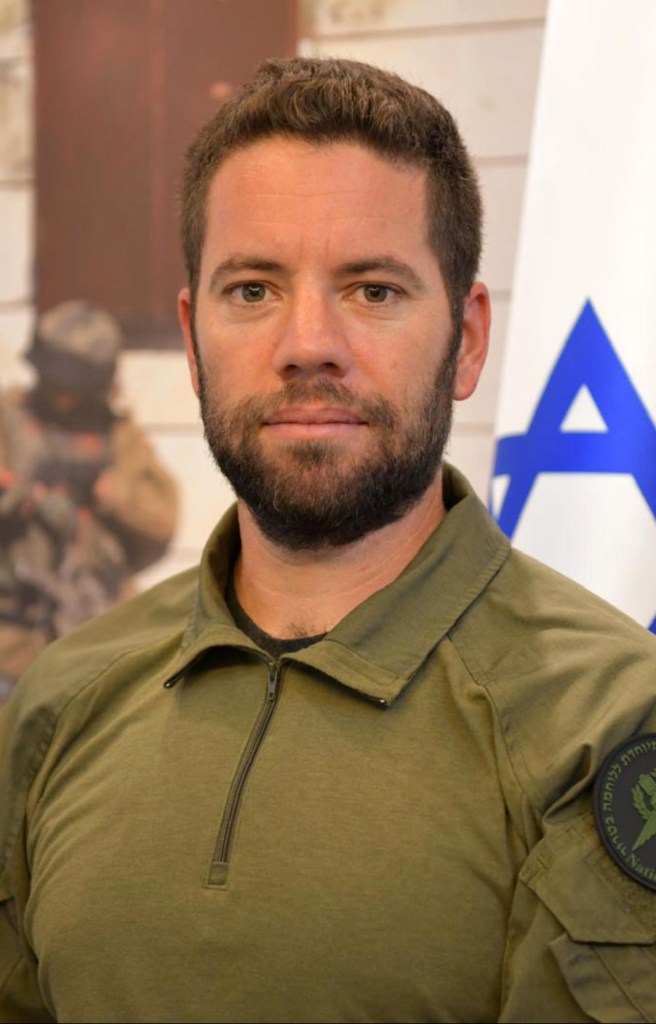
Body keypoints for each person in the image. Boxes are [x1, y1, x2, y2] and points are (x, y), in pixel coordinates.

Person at [0, 57, 655, 1024]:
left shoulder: (607, 717)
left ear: (468, 340)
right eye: (253, 290)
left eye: (374, 290)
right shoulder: (63, 700)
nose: (308, 342)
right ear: (191, 340)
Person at [0, 300, 178, 701]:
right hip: (13, 638)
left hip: (100, 635)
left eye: (74, 389)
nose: (63, 399)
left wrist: (113, 495)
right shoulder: (9, 421)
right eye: (56, 384)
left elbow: (162, 522)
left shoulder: (117, 436)